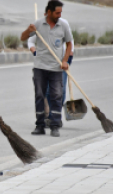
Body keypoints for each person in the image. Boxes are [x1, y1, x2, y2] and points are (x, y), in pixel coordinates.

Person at [21, 0, 73, 137]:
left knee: (56, 96)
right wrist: (29, 30)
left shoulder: (63, 25)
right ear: (49, 12)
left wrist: (65, 61)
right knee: (39, 96)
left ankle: (55, 125)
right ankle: (40, 125)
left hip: (56, 68)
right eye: (57, 12)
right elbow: (23, 37)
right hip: (40, 67)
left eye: (61, 12)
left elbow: (69, 44)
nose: (59, 15)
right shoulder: (38, 24)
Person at [28, 17, 74, 128]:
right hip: (45, 64)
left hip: (60, 63)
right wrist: (35, 52)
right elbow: (30, 42)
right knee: (48, 91)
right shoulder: (40, 26)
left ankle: (55, 117)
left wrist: (68, 60)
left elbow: (70, 43)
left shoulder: (64, 24)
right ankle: (51, 117)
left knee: (60, 91)